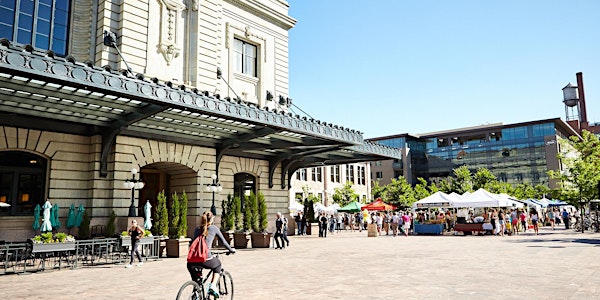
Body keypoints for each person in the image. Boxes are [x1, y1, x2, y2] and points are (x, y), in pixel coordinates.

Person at [187, 211, 235, 298]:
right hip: (205, 259)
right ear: (212, 219)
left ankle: (196, 292)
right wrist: (231, 250)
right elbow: (223, 242)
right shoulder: (214, 228)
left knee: (197, 280)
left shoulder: (197, 229)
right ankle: (213, 286)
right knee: (218, 264)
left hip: (191, 261)